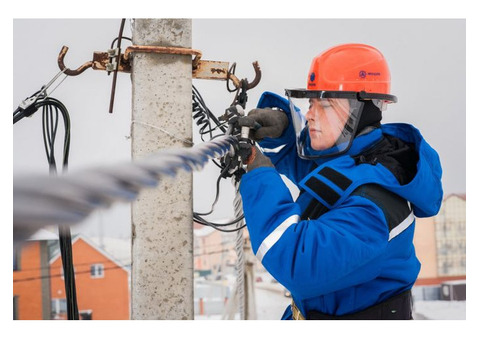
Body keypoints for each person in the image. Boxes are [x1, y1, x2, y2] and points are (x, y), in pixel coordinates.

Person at [238, 43, 443, 320]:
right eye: (311, 102)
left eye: (324, 104)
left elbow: (295, 260)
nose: (310, 113)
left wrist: (259, 173)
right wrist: (286, 131)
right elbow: (322, 177)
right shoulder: (363, 160)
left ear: (361, 111)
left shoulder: (374, 207)